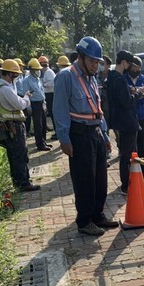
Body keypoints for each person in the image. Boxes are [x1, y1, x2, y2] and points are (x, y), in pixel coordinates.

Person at [53, 36, 117, 236]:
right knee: (84, 179)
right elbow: (60, 109)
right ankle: (84, 221)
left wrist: (105, 136)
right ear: (80, 57)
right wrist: (64, 138)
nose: (95, 65)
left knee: (100, 177)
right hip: (79, 134)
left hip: (95, 132)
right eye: (92, 61)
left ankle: (97, 215)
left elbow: (97, 108)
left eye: (97, 62)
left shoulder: (92, 78)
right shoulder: (66, 76)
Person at [0, 59, 40, 192]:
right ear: (9, 74)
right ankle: (23, 183)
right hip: (14, 126)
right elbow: (20, 104)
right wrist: (26, 97)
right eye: (15, 75)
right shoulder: (6, 89)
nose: (17, 78)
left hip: (7, 125)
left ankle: (17, 181)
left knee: (13, 155)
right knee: (20, 154)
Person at [107, 50, 143, 193]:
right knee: (128, 155)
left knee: (127, 153)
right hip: (127, 122)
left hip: (119, 121)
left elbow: (119, 96)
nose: (130, 67)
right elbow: (127, 103)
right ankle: (126, 185)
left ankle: (132, 182)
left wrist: (131, 91)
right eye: (129, 64)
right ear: (123, 63)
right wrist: (138, 94)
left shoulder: (111, 77)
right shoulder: (120, 79)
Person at [126, 55, 144, 181]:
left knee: (142, 144)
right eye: (135, 67)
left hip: (140, 116)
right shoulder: (124, 79)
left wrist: (141, 95)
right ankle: (130, 171)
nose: (136, 70)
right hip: (129, 117)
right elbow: (126, 100)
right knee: (130, 145)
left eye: (139, 68)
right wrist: (136, 93)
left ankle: (143, 170)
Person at [24, 58, 51, 151]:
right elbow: (26, 94)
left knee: (43, 124)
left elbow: (41, 91)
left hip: (41, 103)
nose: (38, 71)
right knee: (38, 125)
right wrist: (29, 107)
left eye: (39, 69)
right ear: (31, 70)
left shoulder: (38, 79)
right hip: (34, 104)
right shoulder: (26, 80)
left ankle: (44, 141)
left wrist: (45, 103)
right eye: (37, 69)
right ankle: (39, 144)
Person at [39, 56, 56, 138]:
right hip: (49, 95)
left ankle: (57, 132)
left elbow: (52, 83)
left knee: (53, 114)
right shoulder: (46, 72)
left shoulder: (48, 72)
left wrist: (43, 85)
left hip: (51, 95)